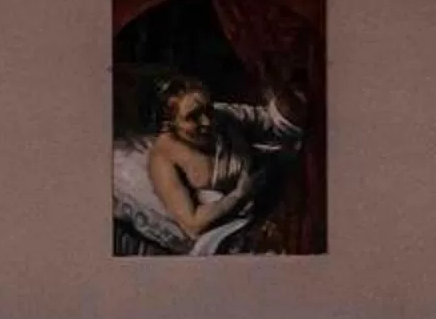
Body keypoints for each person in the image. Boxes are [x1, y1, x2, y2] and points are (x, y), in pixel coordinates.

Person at [115, 72, 306, 256]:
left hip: (274, 189)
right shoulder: (163, 160)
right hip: (232, 228)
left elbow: (269, 121)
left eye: (208, 110)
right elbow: (193, 225)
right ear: (169, 123)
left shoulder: (221, 116)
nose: (207, 121)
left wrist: (290, 105)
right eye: (193, 117)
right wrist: (241, 194)